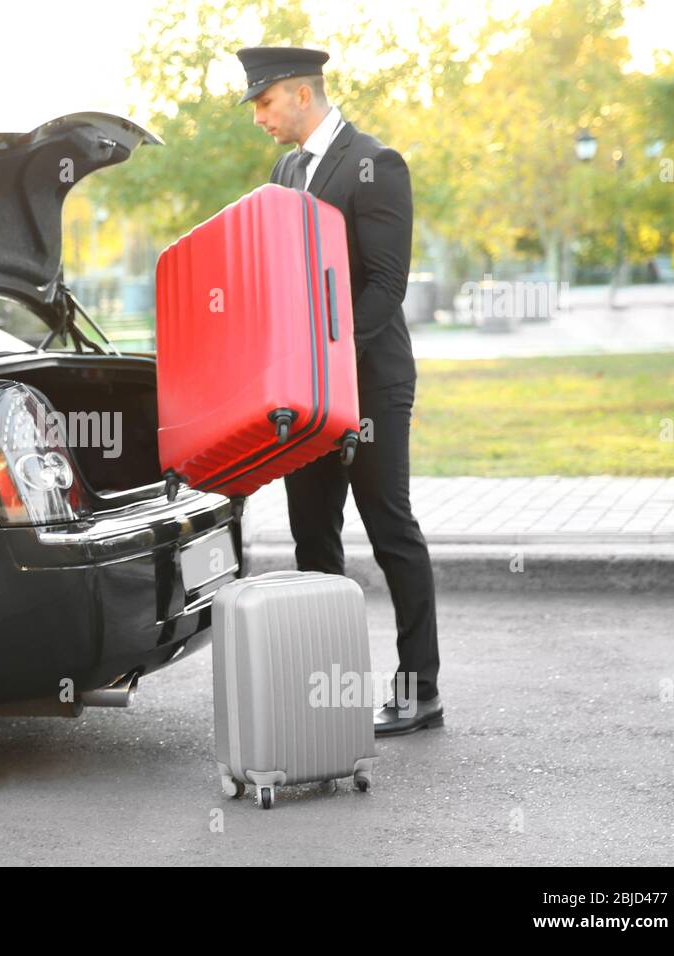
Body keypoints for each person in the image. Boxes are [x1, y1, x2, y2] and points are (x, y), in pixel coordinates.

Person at [235, 45, 443, 736]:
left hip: (369, 385)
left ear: (299, 93)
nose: (259, 117)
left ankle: (421, 693)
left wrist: (327, 359)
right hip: (307, 390)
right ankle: (326, 700)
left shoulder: (375, 164)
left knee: (390, 533)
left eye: (263, 103)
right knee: (312, 539)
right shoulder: (286, 169)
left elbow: (385, 287)